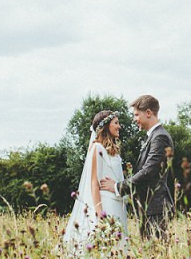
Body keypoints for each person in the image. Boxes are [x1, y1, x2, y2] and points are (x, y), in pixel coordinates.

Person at [100, 95, 174, 240]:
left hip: (155, 207)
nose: (134, 119)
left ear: (148, 113)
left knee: (156, 253)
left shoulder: (159, 137)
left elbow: (148, 171)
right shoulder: (152, 137)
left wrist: (118, 187)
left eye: (136, 115)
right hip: (148, 207)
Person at [63, 110, 128, 250]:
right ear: (106, 126)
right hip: (107, 205)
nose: (119, 126)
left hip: (118, 203)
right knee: (108, 248)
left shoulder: (114, 151)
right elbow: (94, 182)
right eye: (116, 123)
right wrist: (99, 212)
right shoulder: (97, 148)